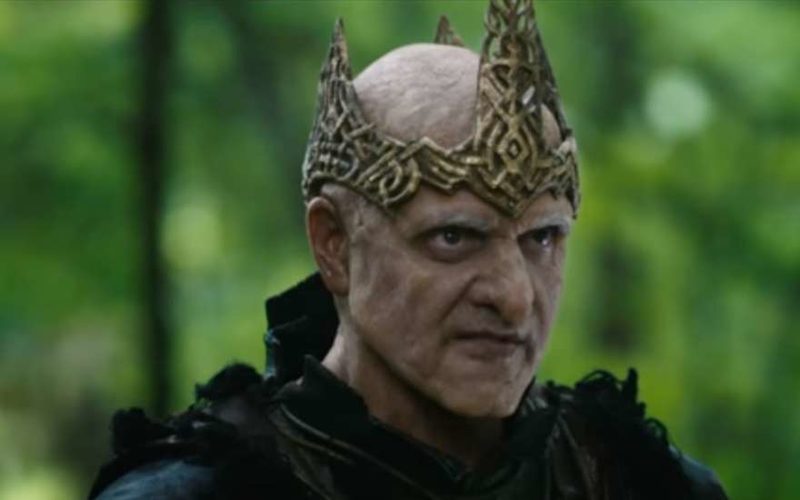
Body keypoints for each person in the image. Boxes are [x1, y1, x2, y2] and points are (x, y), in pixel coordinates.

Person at [89, 1, 727, 498]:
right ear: (334, 245)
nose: (513, 297)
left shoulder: (642, 484)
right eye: (454, 237)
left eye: (543, 239)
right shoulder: (200, 494)